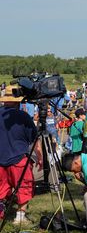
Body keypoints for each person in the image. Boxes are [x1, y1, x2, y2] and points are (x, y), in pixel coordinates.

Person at [0, 86, 43, 224]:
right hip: (19, 158)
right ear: (18, 101)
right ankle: (19, 216)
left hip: (1, 158)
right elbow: (35, 139)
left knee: (2, 187)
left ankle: (2, 210)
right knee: (24, 186)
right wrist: (40, 157)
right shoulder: (23, 116)